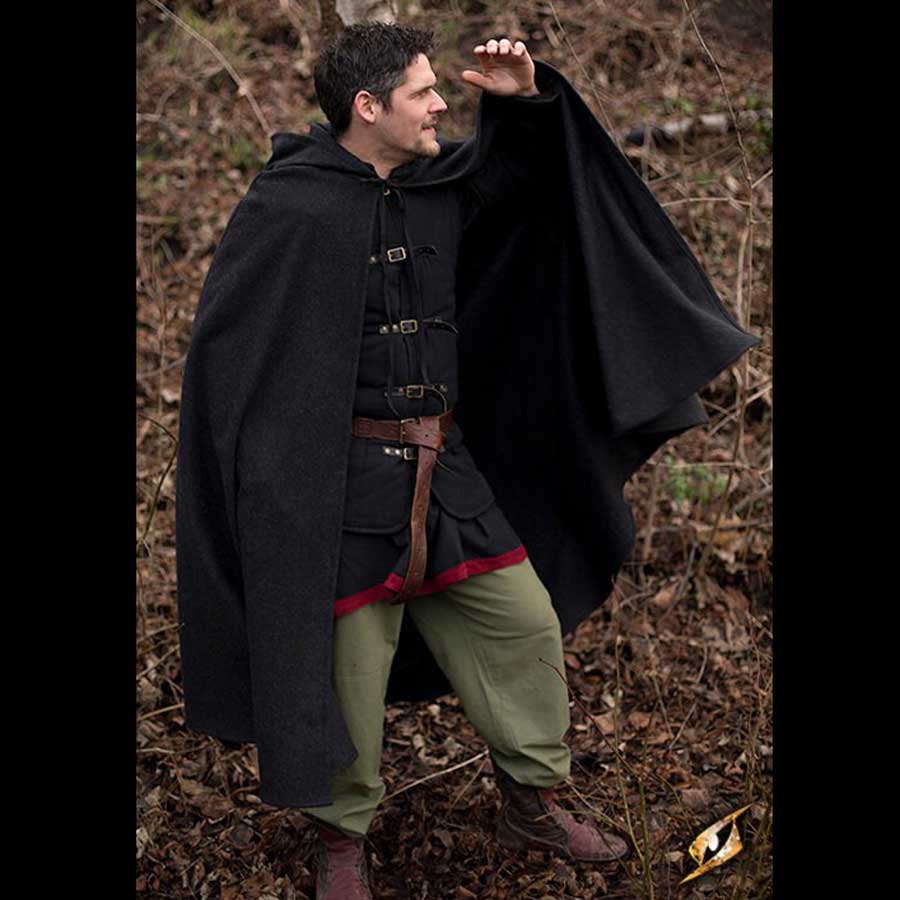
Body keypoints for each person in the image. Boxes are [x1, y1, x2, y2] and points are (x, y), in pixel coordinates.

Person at [176, 21, 759, 900]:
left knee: (522, 626)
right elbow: (228, 362)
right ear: (368, 106)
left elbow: (536, 192)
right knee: (345, 679)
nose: (440, 105)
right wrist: (263, 487)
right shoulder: (289, 205)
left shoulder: (440, 183)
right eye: (423, 92)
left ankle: (532, 800)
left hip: (447, 475)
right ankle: (341, 842)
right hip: (336, 493)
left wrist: (524, 103)